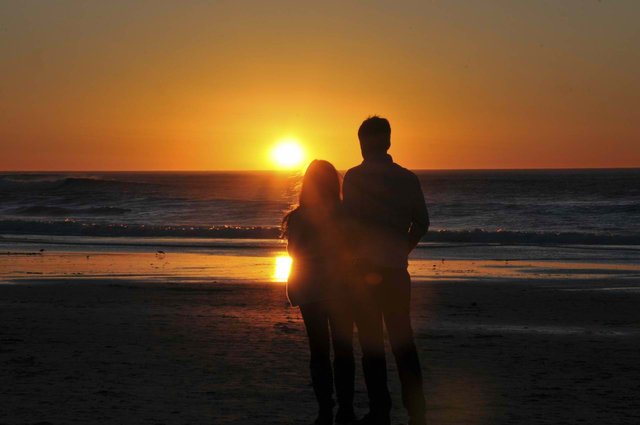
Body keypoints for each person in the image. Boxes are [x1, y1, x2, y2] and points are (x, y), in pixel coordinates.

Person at [343, 116, 429, 425]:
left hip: (365, 270)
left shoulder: (354, 178)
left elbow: (349, 224)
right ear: (388, 141)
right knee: (402, 340)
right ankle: (416, 410)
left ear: (364, 143)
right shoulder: (407, 178)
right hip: (395, 271)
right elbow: (422, 222)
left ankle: (380, 410)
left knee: (371, 344)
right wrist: (400, 249)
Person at [282, 160, 357, 425]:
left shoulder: (299, 217)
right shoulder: (344, 214)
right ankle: (345, 409)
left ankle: (325, 409)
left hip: (310, 287)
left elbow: (294, 253)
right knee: (344, 349)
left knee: (319, 350)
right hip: (339, 287)